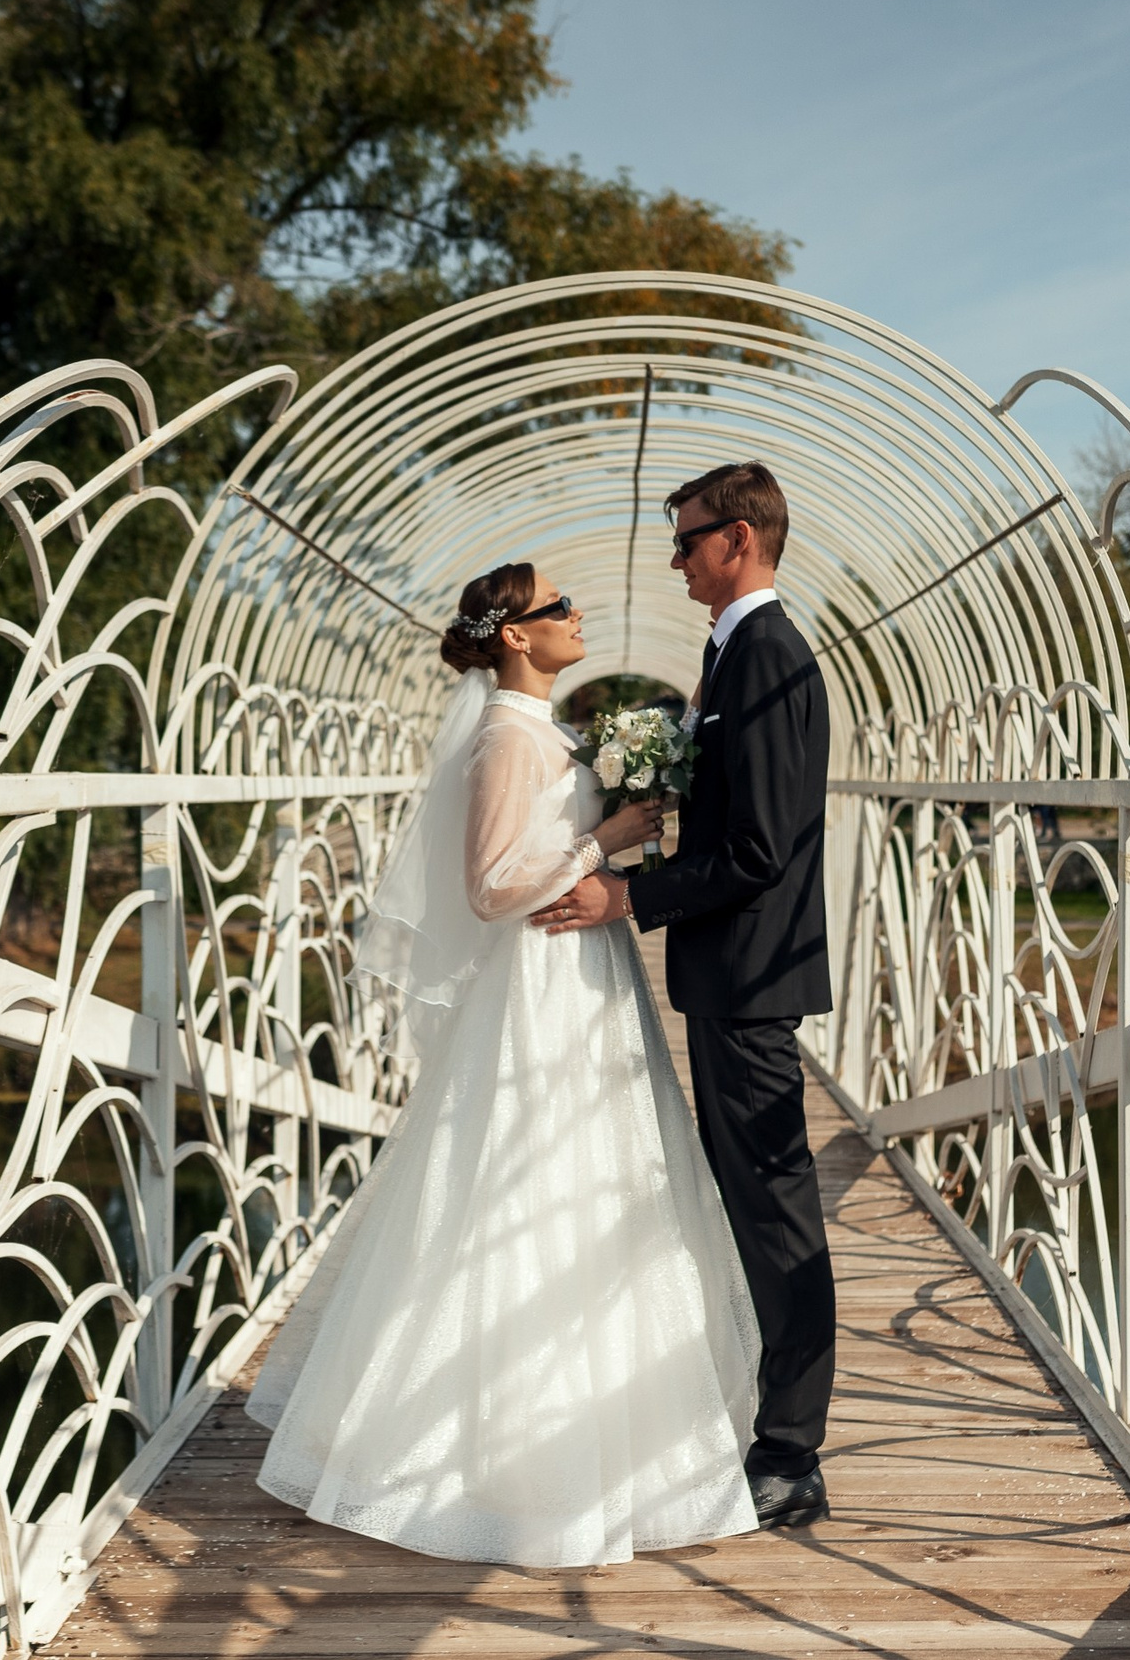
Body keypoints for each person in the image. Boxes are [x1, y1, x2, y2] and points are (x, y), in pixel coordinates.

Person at [249, 563, 763, 1567]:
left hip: (580, 971)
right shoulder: (505, 735)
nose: (577, 614)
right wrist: (604, 839)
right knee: (528, 1188)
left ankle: (597, 1446)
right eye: (558, 607)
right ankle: (488, 1465)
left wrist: (619, 832)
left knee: (596, 1187)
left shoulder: (542, 730)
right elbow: (489, 888)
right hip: (536, 985)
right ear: (517, 636)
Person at [533, 461, 835, 1530]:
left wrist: (627, 895)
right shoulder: (732, 654)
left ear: (739, 539)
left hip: (751, 980)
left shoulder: (767, 657)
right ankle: (768, 1421)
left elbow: (758, 849)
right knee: (752, 1200)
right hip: (730, 974)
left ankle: (792, 1453)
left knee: (776, 1210)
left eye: (688, 538)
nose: (675, 559)